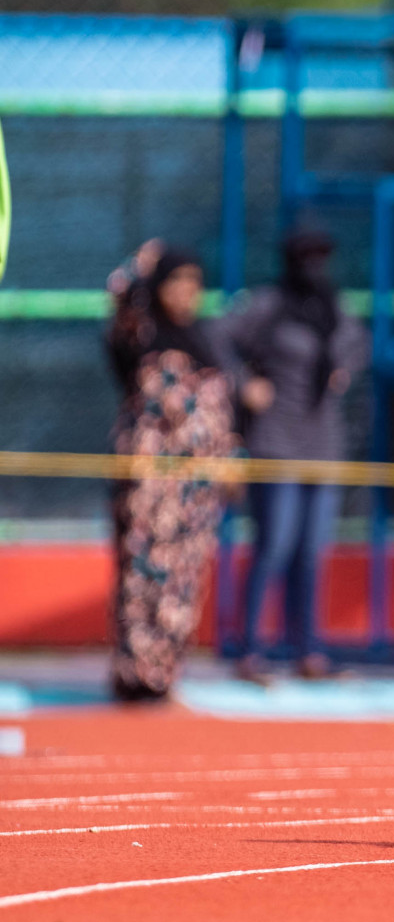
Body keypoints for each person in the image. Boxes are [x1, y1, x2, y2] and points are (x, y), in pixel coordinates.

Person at [222, 226, 369, 682]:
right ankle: (250, 649)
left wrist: (345, 368)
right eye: (306, 254)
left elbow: (360, 344)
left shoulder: (334, 308)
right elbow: (216, 337)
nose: (314, 265)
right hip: (276, 441)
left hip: (323, 445)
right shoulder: (268, 305)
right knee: (274, 546)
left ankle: (308, 650)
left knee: (310, 553)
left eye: (321, 254)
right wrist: (245, 383)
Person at [103, 240, 240, 701]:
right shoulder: (140, 337)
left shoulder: (207, 341)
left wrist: (231, 463)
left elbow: (221, 416)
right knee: (141, 581)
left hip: (195, 494)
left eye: (194, 283)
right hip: (149, 492)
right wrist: (143, 260)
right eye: (176, 281)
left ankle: (163, 674)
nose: (186, 292)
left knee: (181, 583)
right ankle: (134, 676)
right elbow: (118, 292)